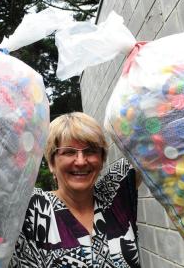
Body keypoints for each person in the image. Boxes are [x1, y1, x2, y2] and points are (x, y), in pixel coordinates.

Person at [9, 112, 141, 267]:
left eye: (90, 151)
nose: (80, 161)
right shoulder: (32, 208)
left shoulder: (115, 194)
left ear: (102, 159)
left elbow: (150, 141)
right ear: (52, 163)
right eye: (69, 152)